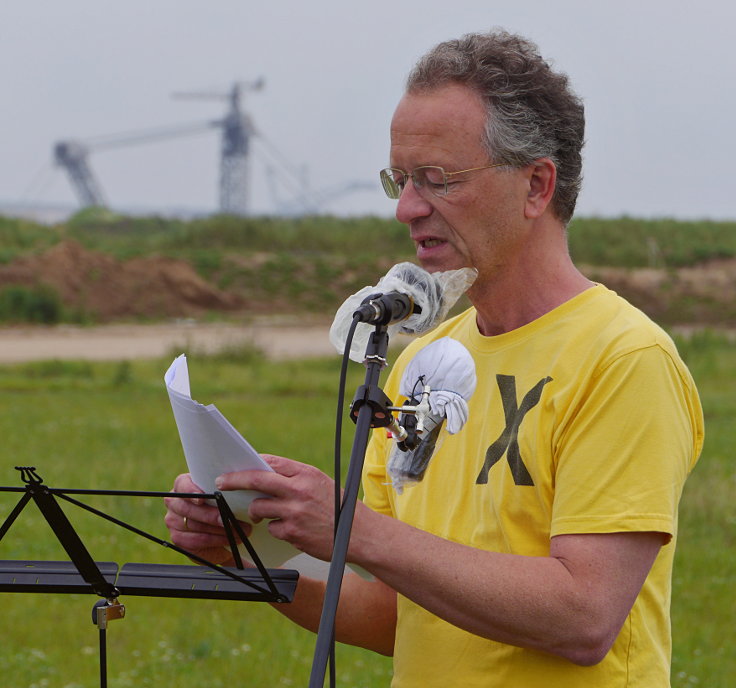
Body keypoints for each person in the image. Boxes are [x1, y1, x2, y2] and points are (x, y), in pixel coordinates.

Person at [164, 30, 704, 687]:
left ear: (536, 185)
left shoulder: (624, 359)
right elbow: (394, 614)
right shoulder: (421, 362)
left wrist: (353, 531)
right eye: (400, 179)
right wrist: (244, 552)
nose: (406, 208)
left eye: (438, 180)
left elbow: (585, 615)